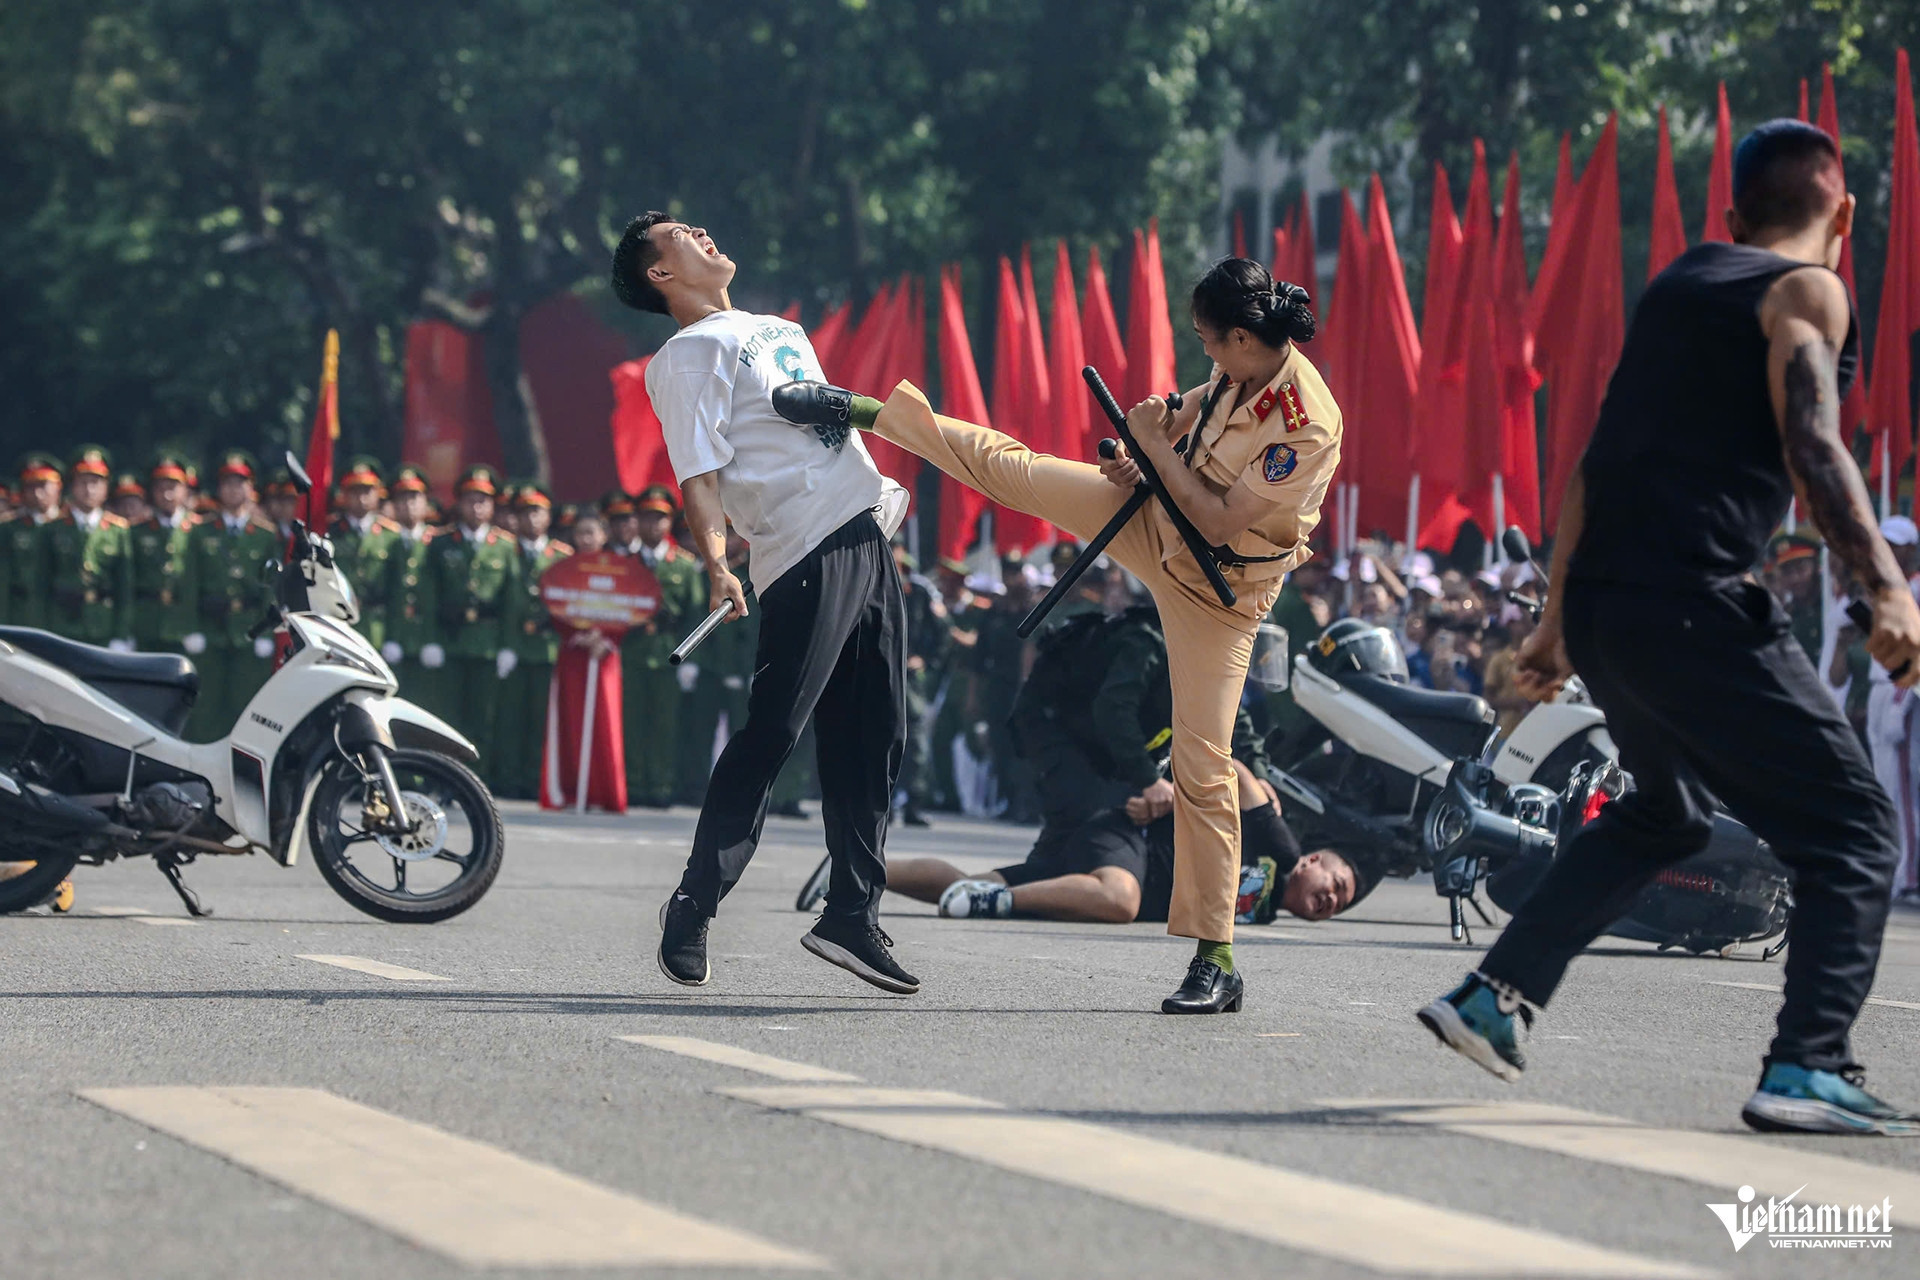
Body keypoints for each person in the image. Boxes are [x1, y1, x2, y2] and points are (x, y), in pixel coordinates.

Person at [1418, 120, 1920, 1135]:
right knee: (1858, 829)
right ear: (1845, 216)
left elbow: (1597, 464)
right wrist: (1886, 587)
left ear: (1730, 217)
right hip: (1695, 600)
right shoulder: (1809, 289)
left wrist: (1559, 622)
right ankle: (1807, 1063)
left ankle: (1494, 995)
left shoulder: (1680, 285)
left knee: (1667, 812)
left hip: (1610, 605)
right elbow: (1815, 442)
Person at [777, 256, 1338, 1013]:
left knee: (1204, 766)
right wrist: (1133, 456)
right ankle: (866, 411)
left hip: (1221, 588)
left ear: (1244, 335)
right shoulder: (1238, 373)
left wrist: (1155, 448)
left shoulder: (1306, 424)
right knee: (1015, 468)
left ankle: (1216, 958)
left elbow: (1216, 517)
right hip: (1156, 522)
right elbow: (1173, 432)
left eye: (1210, 342)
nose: (1204, 355)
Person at [611, 210, 915, 993]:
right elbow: (699, 474)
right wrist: (717, 563)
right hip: (802, 547)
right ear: (660, 274)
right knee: (774, 732)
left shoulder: (778, 327)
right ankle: (694, 898)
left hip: (866, 533)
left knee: (876, 735)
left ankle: (851, 911)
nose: (704, 233)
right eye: (682, 234)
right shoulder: (685, 356)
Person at [890, 759, 1367, 932]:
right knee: (1120, 899)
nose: (1333, 899)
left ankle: (859, 869)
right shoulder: (1280, 849)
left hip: (1094, 875)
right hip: (1124, 840)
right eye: (1337, 883)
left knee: (963, 886)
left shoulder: (1268, 909)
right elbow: (1236, 772)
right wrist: (1174, 793)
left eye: (1339, 904)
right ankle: (996, 902)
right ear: (1313, 859)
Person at [423, 464, 520, 789]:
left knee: (484, 717)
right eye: (470, 500)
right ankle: (445, 779)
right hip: (451, 640)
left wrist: (507, 645)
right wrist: (431, 640)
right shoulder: (441, 543)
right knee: (448, 716)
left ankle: (478, 782)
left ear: (492, 506)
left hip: (487, 641)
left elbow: (512, 601)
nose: (476, 507)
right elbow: (429, 595)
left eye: (483, 501)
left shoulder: (505, 546)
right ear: (459, 504)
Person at [183, 451, 280, 740]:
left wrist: (266, 631)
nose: (233, 490)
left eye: (240, 483)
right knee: (207, 707)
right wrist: (191, 628)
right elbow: (190, 582)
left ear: (251, 489)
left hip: (249, 631)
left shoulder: (265, 535)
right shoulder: (200, 533)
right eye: (227, 483)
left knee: (247, 705)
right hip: (211, 629)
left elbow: (270, 588)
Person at [619, 483, 702, 808]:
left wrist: (692, 659)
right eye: (647, 518)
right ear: (637, 522)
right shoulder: (625, 561)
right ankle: (635, 783)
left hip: (671, 653)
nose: (654, 525)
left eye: (661, 519)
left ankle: (661, 785)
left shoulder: (682, 565)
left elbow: (695, 612)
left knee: (665, 725)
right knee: (633, 722)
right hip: (633, 651)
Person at [1859, 515, 1920, 903]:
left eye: (1896, 544)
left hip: (1902, 688)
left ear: (1911, 548)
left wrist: (1902, 700)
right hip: (1882, 687)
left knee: (1904, 792)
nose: (1890, 550)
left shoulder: (1915, 588)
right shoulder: (1889, 587)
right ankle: (1901, 872)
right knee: (1887, 789)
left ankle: (1910, 877)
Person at [497, 483, 571, 800]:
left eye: (537, 511)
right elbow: (498, 604)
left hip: (546, 648)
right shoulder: (504, 551)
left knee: (541, 720)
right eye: (525, 512)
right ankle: (507, 777)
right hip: (513, 648)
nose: (531, 519)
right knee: (509, 718)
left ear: (548, 516)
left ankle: (534, 780)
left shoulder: (561, 556)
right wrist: (504, 645)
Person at [40, 446, 133, 648]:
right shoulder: (53, 528)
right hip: (62, 625)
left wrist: (121, 633)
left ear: (106, 489)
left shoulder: (118, 530)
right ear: (72, 486)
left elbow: (124, 587)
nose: (89, 489)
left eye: (96, 483)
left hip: (102, 625)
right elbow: (42, 583)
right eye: (83, 482)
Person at [378, 465, 440, 712]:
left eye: (415, 498)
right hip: (393, 638)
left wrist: (432, 640)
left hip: (426, 638)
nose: (408, 505)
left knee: (427, 706)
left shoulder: (439, 542)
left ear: (426, 502)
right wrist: (390, 637)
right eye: (401, 499)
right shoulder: (384, 539)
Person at [128, 452, 202, 655]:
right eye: (160, 488)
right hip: (146, 624)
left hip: (183, 622)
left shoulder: (199, 530)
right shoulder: (136, 532)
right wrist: (127, 630)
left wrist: (194, 627)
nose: (167, 494)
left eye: (173, 487)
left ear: (185, 490)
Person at [328, 457, 402, 652]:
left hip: (377, 625)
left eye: (367, 491)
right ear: (344, 495)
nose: (361, 497)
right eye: (354, 491)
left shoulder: (391, 536)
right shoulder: (331, 532)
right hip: (340, 626)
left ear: (378, 494)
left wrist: (394, 636)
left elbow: (397, 591)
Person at [1, 453, 64, 627]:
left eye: (43, 485)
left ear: (58, 487)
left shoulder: (68, 526)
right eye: (30, 487)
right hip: (20, 614)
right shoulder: (9, 528)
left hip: (63, 618)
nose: (37, 493)